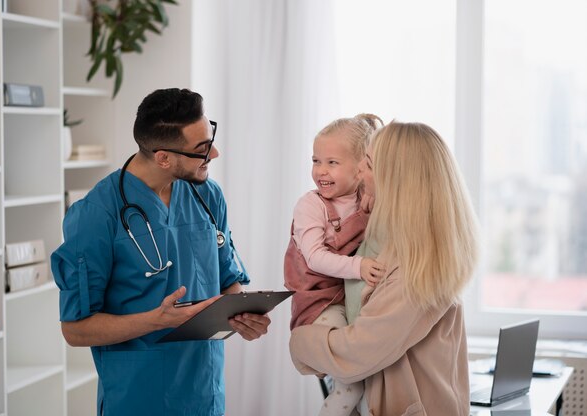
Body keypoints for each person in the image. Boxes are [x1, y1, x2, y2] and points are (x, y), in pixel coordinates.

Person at [51, 88, 271, 416]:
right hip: (138, 397)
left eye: (210, 140)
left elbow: (229, 282)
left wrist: (240, 318)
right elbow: (75, 329)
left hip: (204, 392)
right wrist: (154, 321)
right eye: (202, 149)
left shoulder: (207, 196)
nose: (215, 154)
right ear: (163, 157)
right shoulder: (97, 214)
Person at [289, 121, 479, 416]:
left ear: (396, 179)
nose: (360, 172)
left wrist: (299, 342)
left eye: (368, 164)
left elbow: (359, 351)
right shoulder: (393, 237)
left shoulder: (416, 268)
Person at [284, 114, 385, 416]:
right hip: (318, 302)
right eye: (316, 161)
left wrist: (373, 197)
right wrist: (360, 267)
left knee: (369, 383)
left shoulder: (363, 199)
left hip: (345, 299)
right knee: (352, 382)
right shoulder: (311, 205)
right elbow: (314, 256)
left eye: (332, 163)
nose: (320, 171)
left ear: (361, 169)